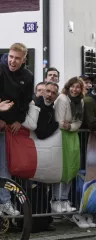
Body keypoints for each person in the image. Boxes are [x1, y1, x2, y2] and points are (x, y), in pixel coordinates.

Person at [0, 43, 34, 215]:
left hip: (11, 126)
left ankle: (5, 200)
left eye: (17, 58)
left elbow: (26, 101)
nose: (13, 61)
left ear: (23, 59)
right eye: (11, 57)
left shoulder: (27, 76)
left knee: (4, 165)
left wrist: (19, 120)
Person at [52, 77, 84, 217]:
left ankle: (64, 199)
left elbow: (78, 123)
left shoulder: (80, 101)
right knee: (61, 168)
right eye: (73, 86)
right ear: (68, 86)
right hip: (60, 135)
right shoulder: (62, 99)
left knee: (71, 167)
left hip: (71, 135)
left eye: (77, 87)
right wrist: (69, 125)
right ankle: (56, 199)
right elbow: (59, 121)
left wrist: (70, 126)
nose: (75, 89)